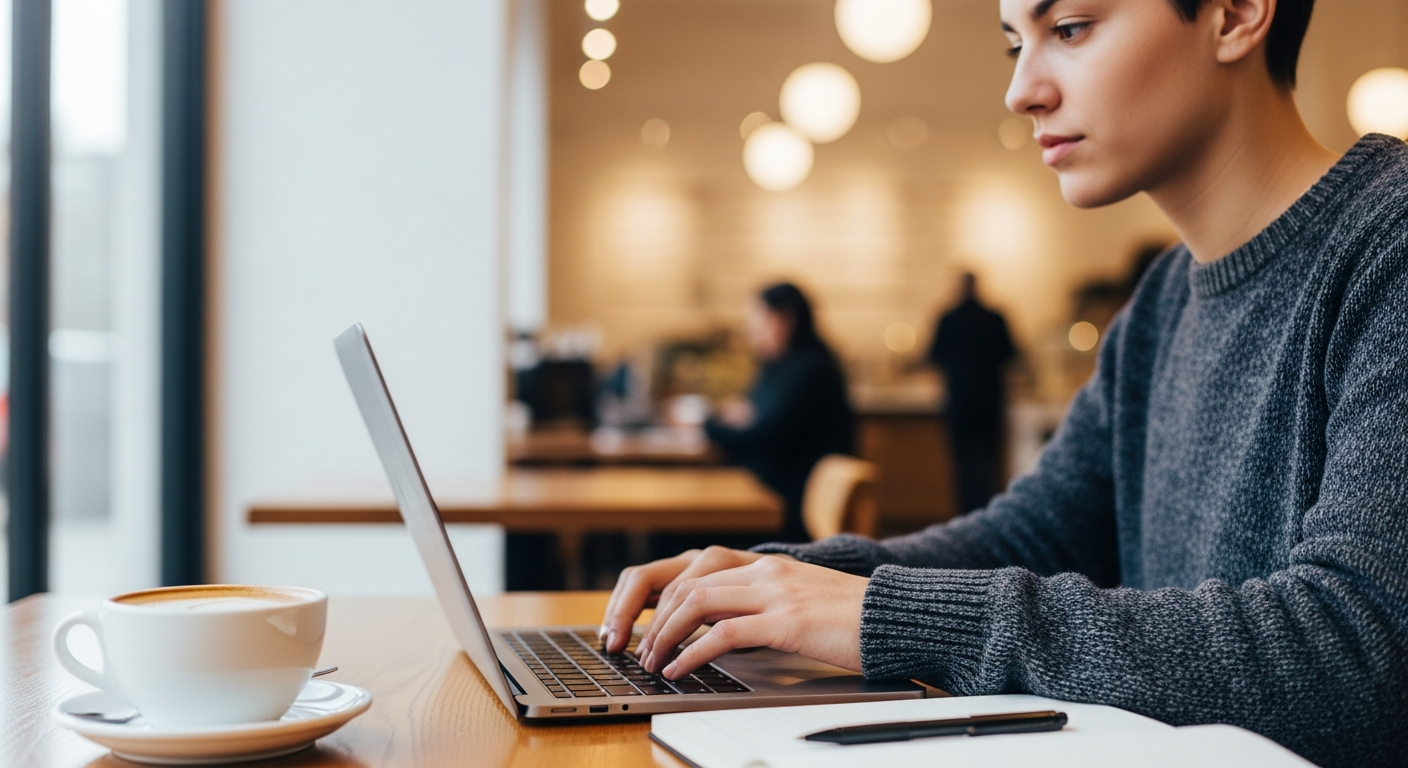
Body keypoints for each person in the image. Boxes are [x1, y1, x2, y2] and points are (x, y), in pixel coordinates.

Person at [597, 0, 1408, 765]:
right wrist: (779, 585)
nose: (1022, 91)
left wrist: (882, 616)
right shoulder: (1161, 303)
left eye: (1072, 28)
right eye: (1016, 44)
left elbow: (1354, 656)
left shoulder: (1388, 247)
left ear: (1235, 14)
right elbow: (1034, 533)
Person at [704, 283, 855, 543]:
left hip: (789, 506)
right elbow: (751, 415)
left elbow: (765, 434)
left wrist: (710, 426)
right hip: (770, 491)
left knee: (678, 535)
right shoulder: (779, 366)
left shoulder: (811, 370)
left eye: (758, 321)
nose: (752, 331)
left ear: (784, 319)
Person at [926, 273, 1016, 514]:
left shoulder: (948, 318)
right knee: (990, 462)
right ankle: (989, 512)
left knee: (962, 462)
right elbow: (1011, 354)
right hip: (990, 398)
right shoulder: (995, 317)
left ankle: (965, 513)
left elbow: (933, 356)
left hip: (959, 398)